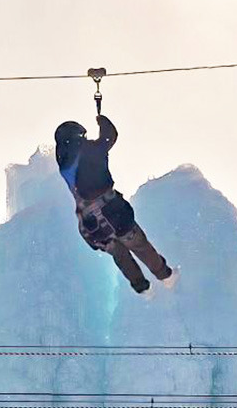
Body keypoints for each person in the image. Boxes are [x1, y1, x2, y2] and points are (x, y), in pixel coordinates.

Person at [55, 115, 174, 294]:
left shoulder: (64, 165)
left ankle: (143, 289)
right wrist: (102, 121)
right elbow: (109, 136)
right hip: (113, 212)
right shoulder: (88, 150)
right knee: (138, 244)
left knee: (118, 252)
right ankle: (166, 277)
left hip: (92, 225)